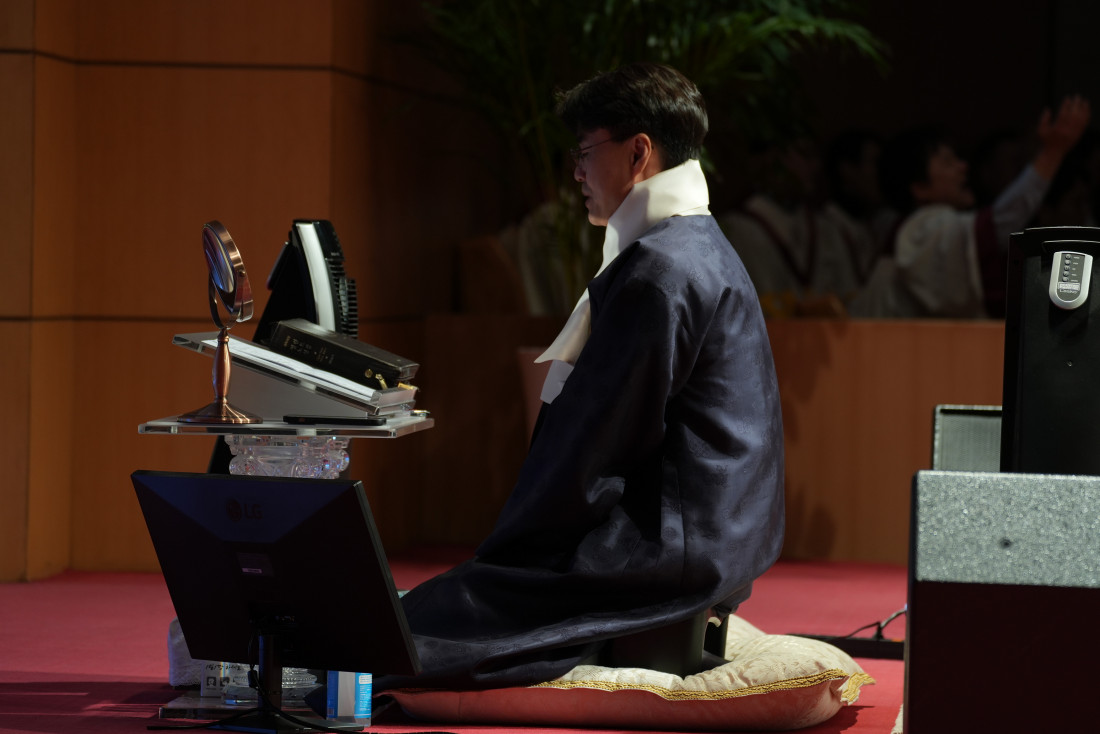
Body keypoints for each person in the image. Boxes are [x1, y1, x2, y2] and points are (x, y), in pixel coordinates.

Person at [376, 62, 785, 693]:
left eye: (585, 153)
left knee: (405, 630)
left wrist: (512, 552)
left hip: (666, 554)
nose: (576, 173)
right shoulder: (695, 244)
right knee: (438, 606)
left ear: (638, 153)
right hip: (713, 538)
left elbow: (595, 450)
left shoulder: (662, 271)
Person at [849, 95, 1091, 319]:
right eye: (947, 161)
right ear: (920, 187)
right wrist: (1052, 153)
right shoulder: (921, 229)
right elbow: (999, 223)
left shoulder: (917, 228)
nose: (962, 167)